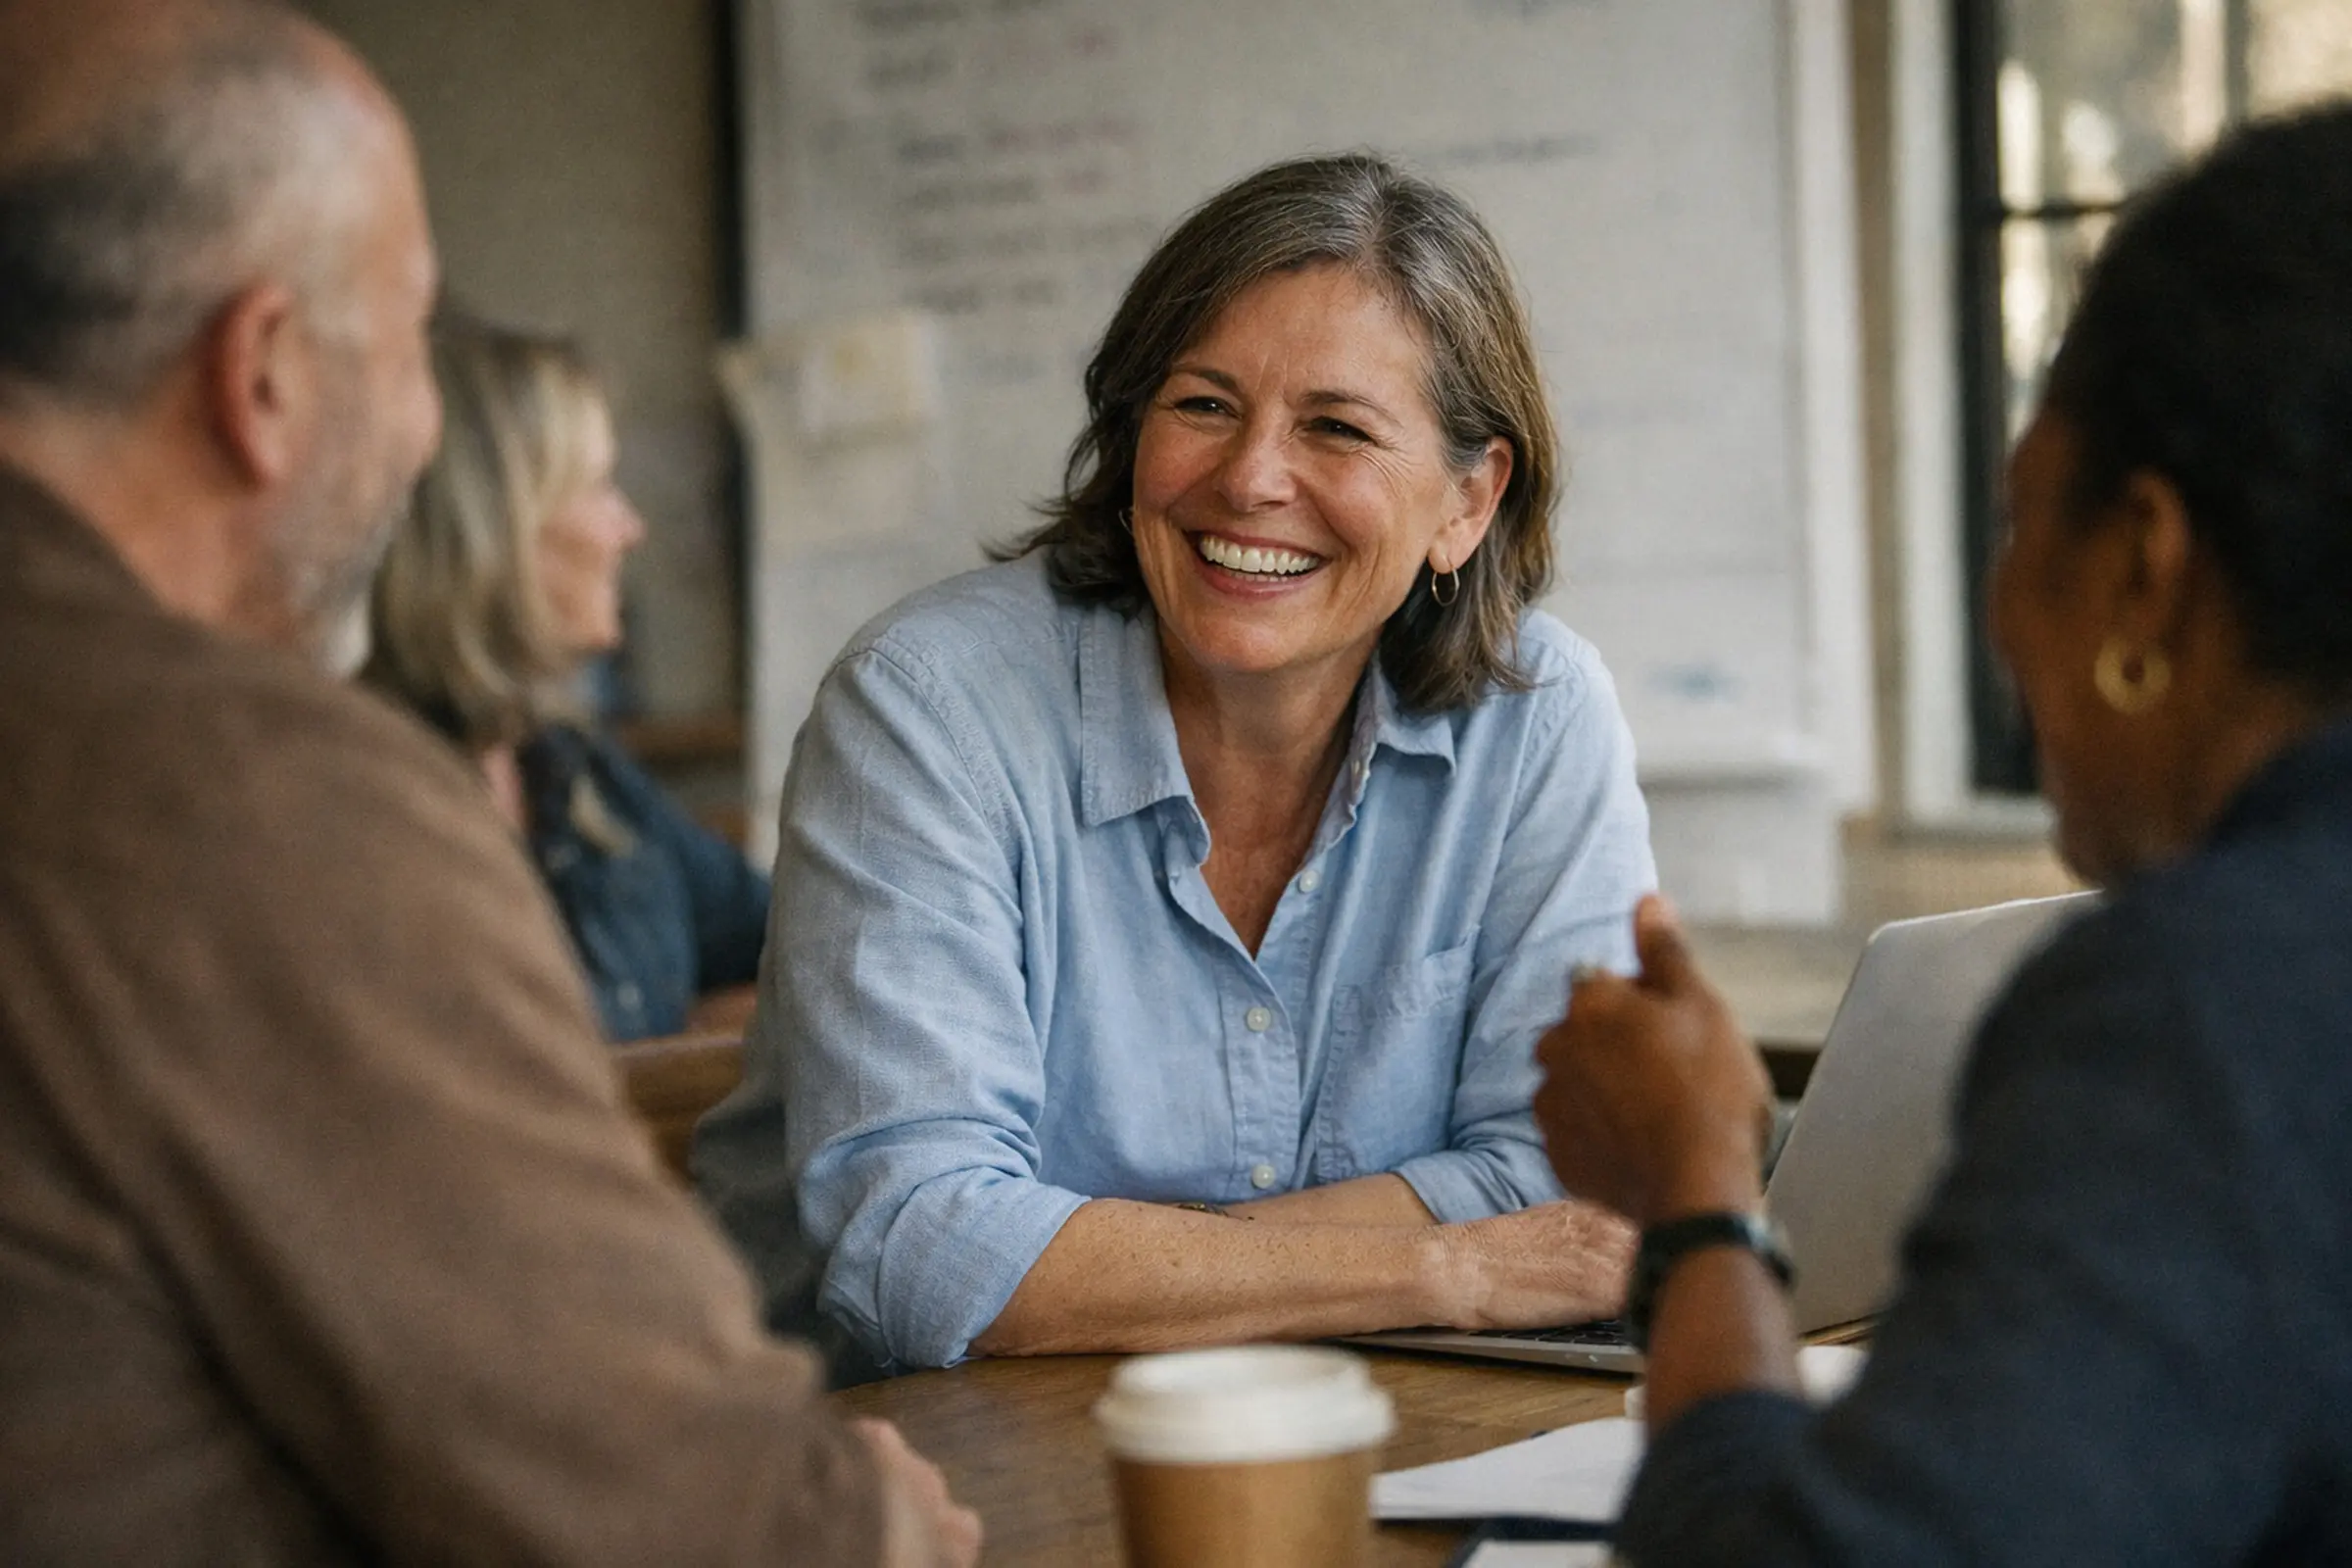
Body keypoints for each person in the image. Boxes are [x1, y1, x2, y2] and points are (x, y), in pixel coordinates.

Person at [0, 2, 976, 1562]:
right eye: (405, 347)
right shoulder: (254, 800)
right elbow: (703, 1525)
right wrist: (878, 1521)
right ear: (260, 377)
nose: (419, 426)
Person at [1536, 104, 2352, 1563]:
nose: (1997, 609)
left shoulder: (2209, 1009)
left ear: (2145, 568)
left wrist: (1702, 1204)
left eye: (2020, 514)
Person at [699, 153, 1657, 1373]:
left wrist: (1093, 1267)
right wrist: (1444, 1264)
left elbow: (1567, 1181)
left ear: (1468, 502)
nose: (1251, 478)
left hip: (1357, 1419)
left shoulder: (1540, 715)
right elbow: (919, 1252)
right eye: (1203, 404)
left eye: (1337, 428)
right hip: (889, 1469)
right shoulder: (923, 711)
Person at [363, 315, 770, 1042]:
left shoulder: (573, 765)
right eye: (598, 485)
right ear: (492, 528)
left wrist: (697, 1038)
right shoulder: (362, 806)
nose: (630, 527)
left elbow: (800, 944)